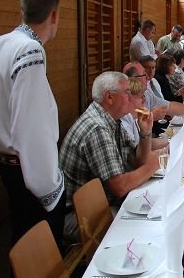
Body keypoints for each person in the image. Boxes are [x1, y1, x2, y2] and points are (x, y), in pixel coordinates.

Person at [0, 0, 65, 278]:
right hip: (31, 172)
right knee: (41, 262)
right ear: (54, 15)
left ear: (22, 9)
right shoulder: (31, 51)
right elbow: (31, 126)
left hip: (8, 163)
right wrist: (49, 188)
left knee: (22, 251)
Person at [60, 71, 159, 242]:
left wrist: (145, 133)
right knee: (145, 226)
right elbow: (120, 186)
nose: (131, 97)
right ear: (109, 97)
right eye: (127, 92)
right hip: (79, 217)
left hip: (102, 203)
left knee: (152, 210)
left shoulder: (113, 120)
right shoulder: (97, 128)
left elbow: (137, 160)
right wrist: (152, 166)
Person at [121, 78, 169, 150]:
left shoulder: (133, 118)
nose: (144, 100)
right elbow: (137, 152)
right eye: (141, 97)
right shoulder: (123, 124)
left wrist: (171, 141)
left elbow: (147, 143)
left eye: (144, 96)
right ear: (129, 99)